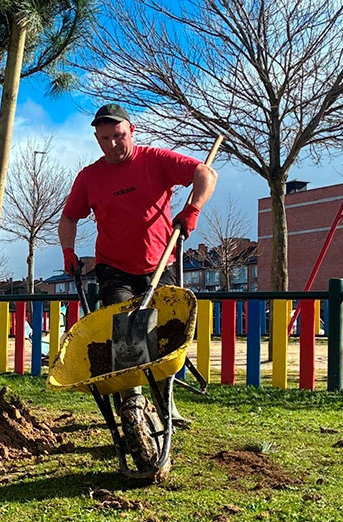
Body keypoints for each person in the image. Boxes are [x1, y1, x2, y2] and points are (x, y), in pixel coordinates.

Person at [58, 103, 217, 462]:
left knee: (164, 340)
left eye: (118, 136)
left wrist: (192, 210)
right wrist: (68, 250)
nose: (113, 144)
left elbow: (206, 174)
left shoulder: (155, 160)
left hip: (161, 262)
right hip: (114, 267)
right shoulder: (89, 177)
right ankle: (132, 401)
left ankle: (166, 406)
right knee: (127, 334)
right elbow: (69, 217)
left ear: (132, 131)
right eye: (104, 139)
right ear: (96, 139)